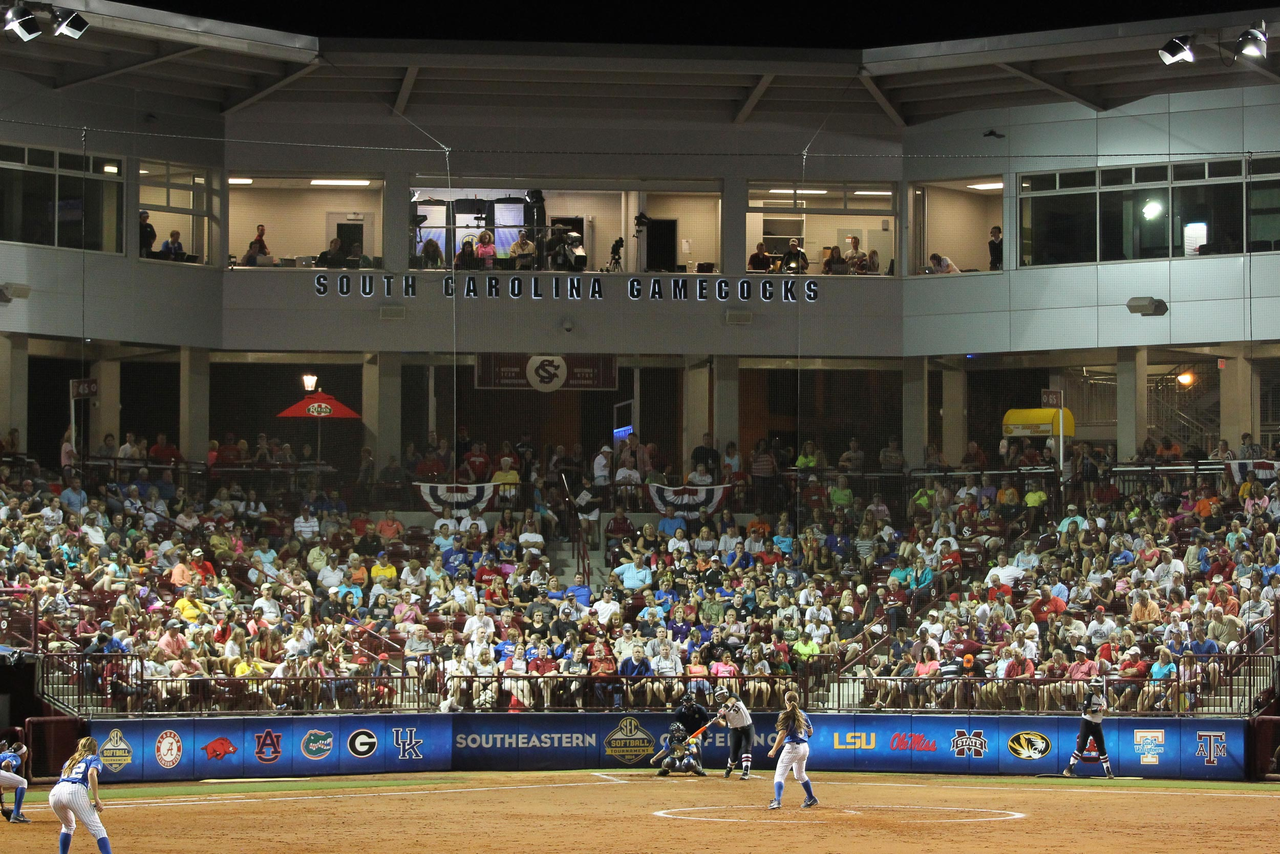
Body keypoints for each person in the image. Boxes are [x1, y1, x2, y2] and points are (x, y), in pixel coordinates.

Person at [49, 736, 113, 854]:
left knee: (68, 826)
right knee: (99, 830)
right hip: (74, 791)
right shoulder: (94, 759)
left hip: (55, 792)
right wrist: (97, 799)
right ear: (94, 749)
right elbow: (92, 774)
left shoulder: (70, 761)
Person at [767, 690, 818, 810]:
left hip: (792, 747)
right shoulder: (803, 714)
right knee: (800, 774)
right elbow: (810, 731)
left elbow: (781, 734)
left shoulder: (785, 714)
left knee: (779, 775)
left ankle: (777, 801)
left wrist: (773, 750)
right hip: (804, 747)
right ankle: (811, 797)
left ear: (786, 702)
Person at [1063, 677, 1114, 779]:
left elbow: (1107, 713)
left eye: (1095, 686)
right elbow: (1085, 710)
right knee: (1081, 746)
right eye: (1092, 686)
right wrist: (1097, 709)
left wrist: (1105, 710)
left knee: (1102, 748)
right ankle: (1069, 768)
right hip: (1087, 722)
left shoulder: (1104, 698)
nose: (1093, 688)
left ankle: (1108, 771)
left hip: (1097, 724)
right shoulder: (1090, 696)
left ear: (1099, 687)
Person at [712, 685, 754, 780]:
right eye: (719, 695)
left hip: (747, 728)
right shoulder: (720, 708)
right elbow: (723, 724)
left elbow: (731, 702)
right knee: (733, 755)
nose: (721, 697)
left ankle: (745, 771)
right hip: (734, 730)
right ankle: (729, 768)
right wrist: (718, 720)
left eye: (722, 694)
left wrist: (723, 710)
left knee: (746, 749)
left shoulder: (734, 696)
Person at [0, 741, 29, 823]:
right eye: (26, 753)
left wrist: (3, 807)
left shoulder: (5, 755)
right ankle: (16, 815)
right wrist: (12, 776)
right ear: (22, 754)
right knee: (22, 782)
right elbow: (5, 764)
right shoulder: (16, 757)